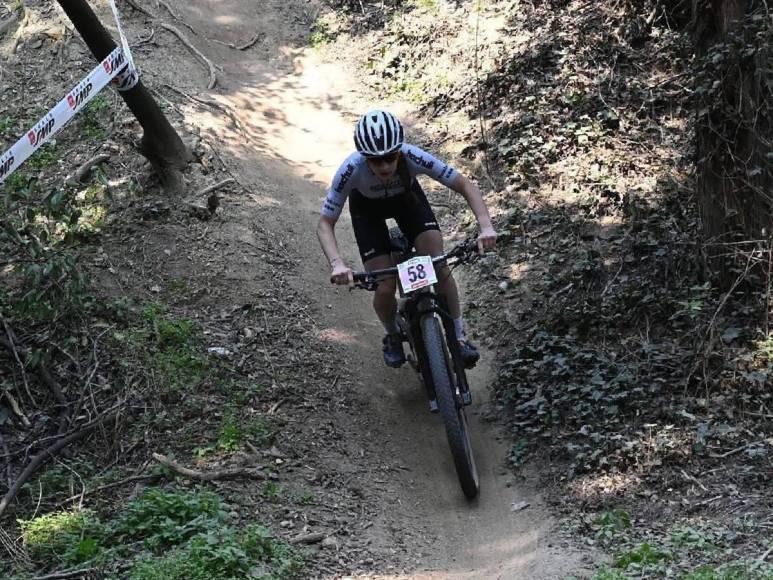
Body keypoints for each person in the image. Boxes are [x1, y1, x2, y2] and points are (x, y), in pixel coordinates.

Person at [317, 109, 497, 368]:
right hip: (367, 212)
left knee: (438, 264)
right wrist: (337, 263)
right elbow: (325, 223)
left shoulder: (413, 156)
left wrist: (486, 227)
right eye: (375, 160)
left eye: (390, 158)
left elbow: (465, 185)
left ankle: (458, 337)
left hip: (407, 202)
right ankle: (392, 334)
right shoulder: (351, 170)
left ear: (399, 151)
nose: (384, 166)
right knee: (385, 285)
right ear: (363, 157)